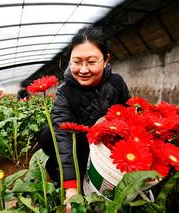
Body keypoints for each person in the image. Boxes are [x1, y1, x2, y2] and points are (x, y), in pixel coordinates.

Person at [37, 26, 130, 206]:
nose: (83, 69)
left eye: (92, 62)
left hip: (107, 147)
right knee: (50, 134)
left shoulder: (116, 83)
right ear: (69, 61)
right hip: (77, 147)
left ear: (105, 60)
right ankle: (61, 174)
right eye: (77, 62)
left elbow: (129, 118)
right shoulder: (64, 91)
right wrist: (71, 187)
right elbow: (63, 137)